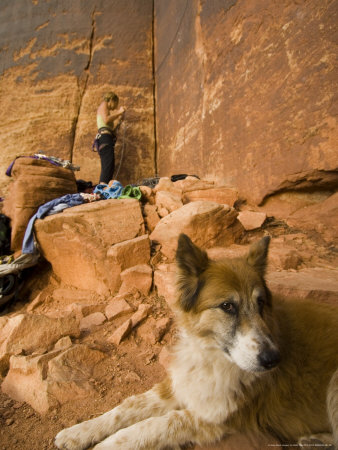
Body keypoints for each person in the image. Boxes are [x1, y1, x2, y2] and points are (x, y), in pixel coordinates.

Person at [94, 92, 125, 184]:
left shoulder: (106, 109)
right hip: (104, 138)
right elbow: (106, 119)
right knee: (107, 165)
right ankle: (101, 189)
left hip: (107, 138)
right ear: (111, 100)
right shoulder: (104, 105)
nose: (116, 106)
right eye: (116, 103)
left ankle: (104, 187)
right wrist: (119, 113)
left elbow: (112, 130)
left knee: (110, 165)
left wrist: (119, 121)